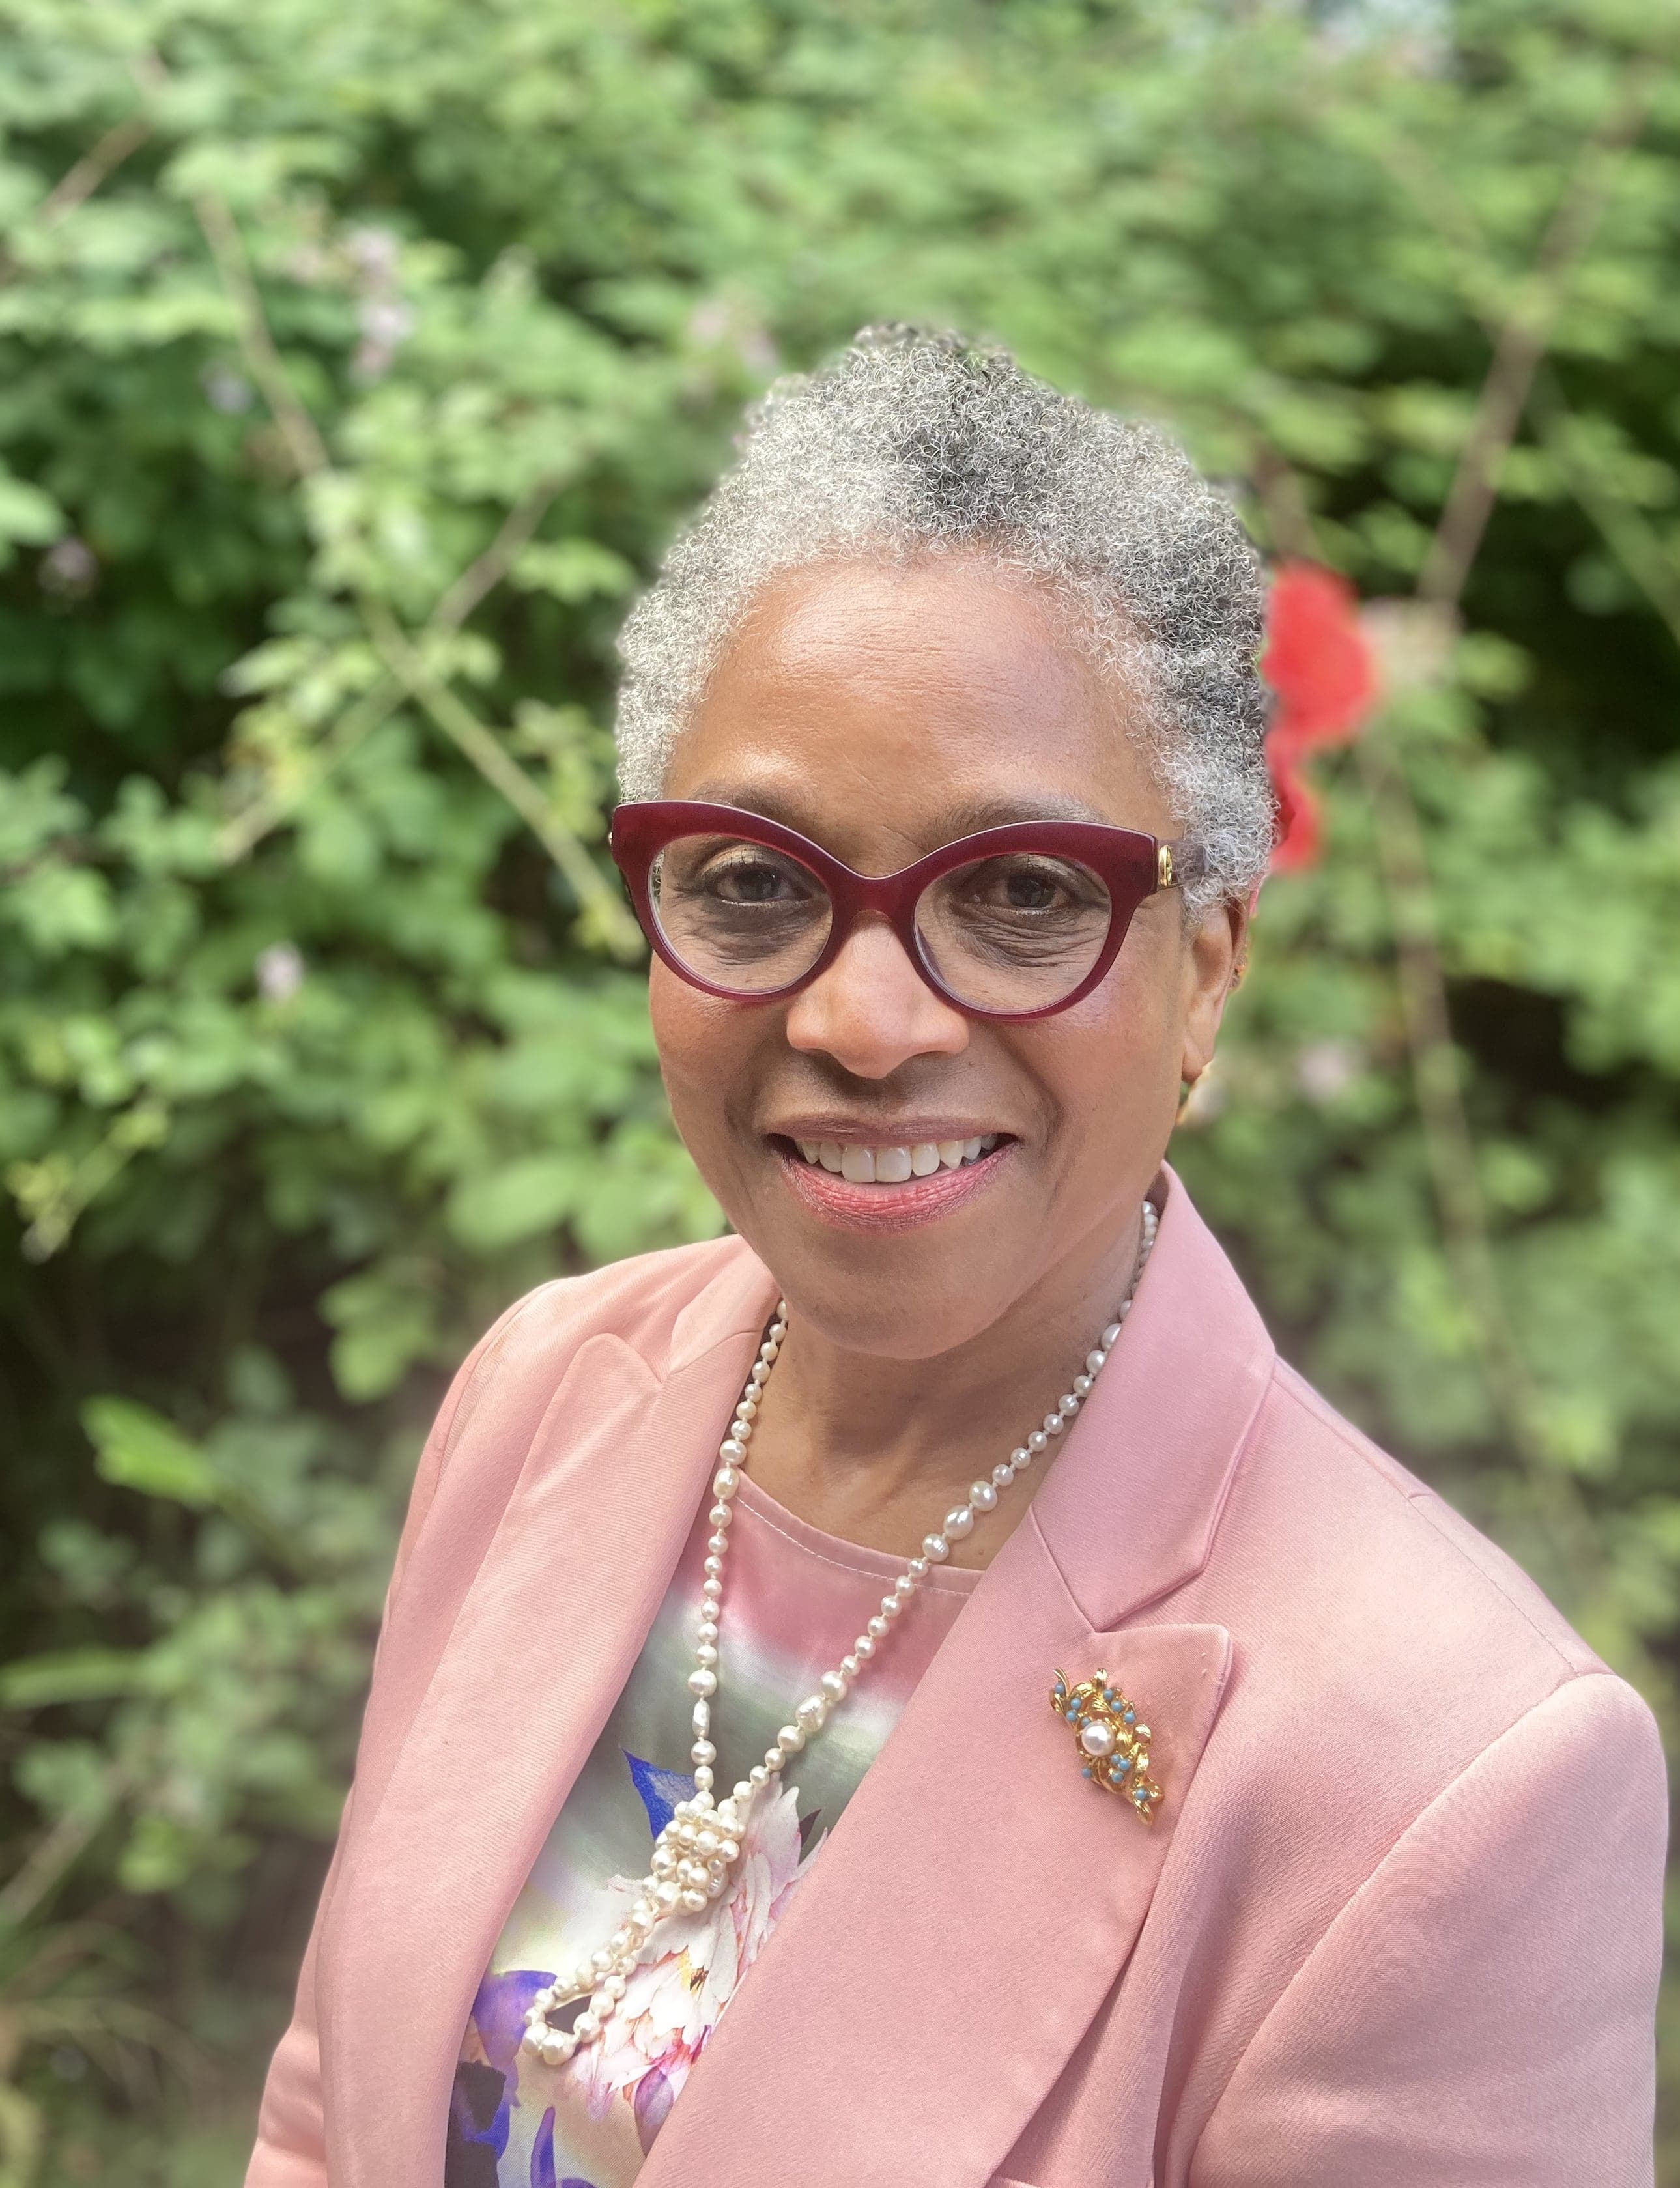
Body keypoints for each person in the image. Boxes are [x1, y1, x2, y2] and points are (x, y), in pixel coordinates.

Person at [246, 330, 1666, 2188]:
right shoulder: (545, 1391)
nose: (860, 1015)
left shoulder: (1454, 1769)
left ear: (1208, 969)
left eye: (1017, 897)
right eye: (754, 880)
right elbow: (327, 2110)